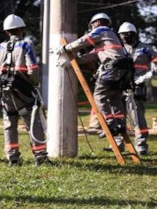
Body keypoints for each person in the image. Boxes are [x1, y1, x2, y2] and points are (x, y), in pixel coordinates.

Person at [56, 13, 133, 142]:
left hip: (114, 67)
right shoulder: (110, 38)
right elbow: (91, 55)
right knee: (115, 96)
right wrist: (71, 62)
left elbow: (84, 41)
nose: (92, 28)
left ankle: (110, 123)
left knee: (99, 95)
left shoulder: (102, 30)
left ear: (97, 22)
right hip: (126, 69)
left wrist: (65, 48)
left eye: (92, 25)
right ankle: (120, 124)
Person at [0, 14, 52, 167]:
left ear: (7, 31)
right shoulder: (25, 46)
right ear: (21, 30)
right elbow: (33, 69)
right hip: (23, 91)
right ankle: (40, 157)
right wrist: (33, 84)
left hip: (6, 93)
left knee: (9, 123)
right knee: (32, 122)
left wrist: (2, 79)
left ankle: (13, 159)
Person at [117, 22, 157, 155]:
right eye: (122, 35)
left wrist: (148, 75)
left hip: (137, 86)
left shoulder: (145, 49)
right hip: (119, 86)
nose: (124, 38)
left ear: (134, 35)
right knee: (119, 117)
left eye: (127, 35)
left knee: (138, 118)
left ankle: (141, 147)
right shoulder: (119, 48)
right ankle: (118, 145)